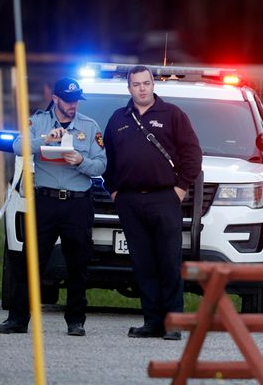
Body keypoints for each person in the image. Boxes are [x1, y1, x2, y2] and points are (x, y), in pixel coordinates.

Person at [0, 77, 107, 336]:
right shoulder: (38, 123)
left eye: (76, 100)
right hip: (45, 201)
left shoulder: (89, 127)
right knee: (31, 261)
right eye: (68, 100)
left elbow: (101, 164)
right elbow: (17, 147)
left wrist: (80, 160)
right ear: (55, 99)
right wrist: (45, 139)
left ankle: (76, 320)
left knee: (78, 264)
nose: (73, 105)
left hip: (77, 204)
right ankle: (18, 319)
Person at [102, 65, 202, 340]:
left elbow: (192, 154)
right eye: (136, 84)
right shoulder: (118, 119)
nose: (142, 88)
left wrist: (180, 188)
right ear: (129, 88)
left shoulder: (173, 115)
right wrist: (114, 192)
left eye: (146, 83)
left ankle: (173, 324)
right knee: (142, 263)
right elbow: (106, 159)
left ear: (153, 84)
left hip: (164, 199)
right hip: (130, 201)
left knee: (168, 262)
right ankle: (152, 322)